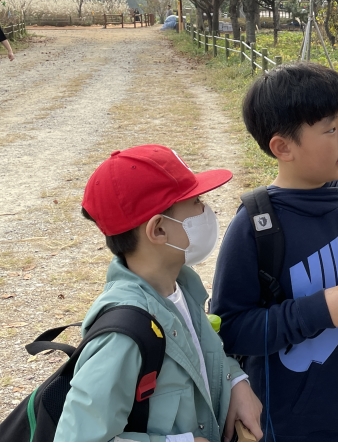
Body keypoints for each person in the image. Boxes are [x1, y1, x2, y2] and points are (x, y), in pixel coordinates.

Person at [211, 63, 338, 442]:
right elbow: (231, 329)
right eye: (330, 128)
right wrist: (316, 311)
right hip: (294, 427)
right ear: (282, 147)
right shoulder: (256, 227)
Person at [56, 145, 264, 442]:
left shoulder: (180, 289)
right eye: (196, 202)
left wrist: (236, 381)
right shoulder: (123, 337)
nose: (206, 211)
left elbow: (200, 353)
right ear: (159, 230)